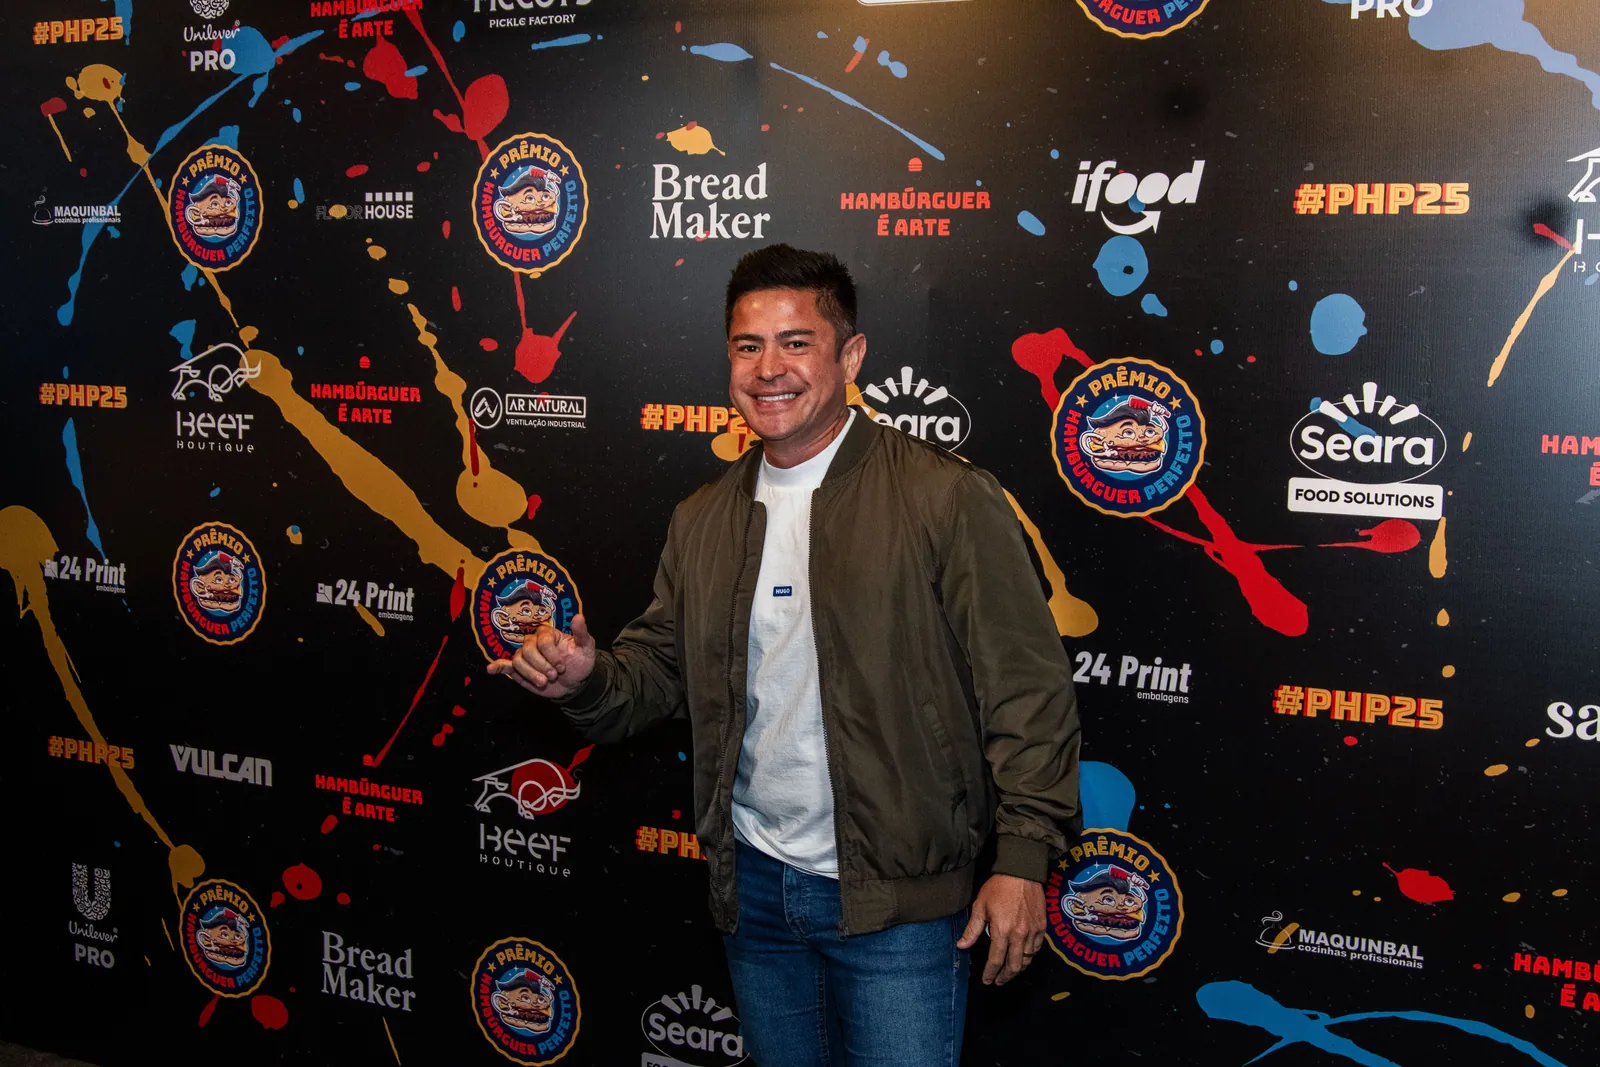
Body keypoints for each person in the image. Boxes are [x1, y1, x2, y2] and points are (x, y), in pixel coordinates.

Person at [489, 244, 1081, 1067]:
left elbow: (1028, 688)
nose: (769, 368)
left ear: (851, 356)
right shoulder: (703, 517)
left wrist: (1022, 856)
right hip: (756, 892)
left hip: (900, 908)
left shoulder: (944, 495)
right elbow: (659, 673)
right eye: (748, 345)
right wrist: (588, 679)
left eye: (796, 342)